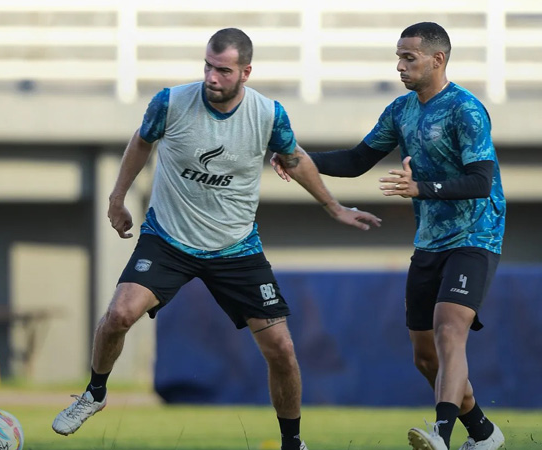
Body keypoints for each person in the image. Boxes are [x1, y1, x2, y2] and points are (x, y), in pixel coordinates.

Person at [51, 27, 382, 450]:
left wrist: (334, 207)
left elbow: (295, 160)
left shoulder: (268, 114)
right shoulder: (170, 102)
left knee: (281, 348)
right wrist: (117, 198)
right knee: (118, 315)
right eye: (207, 65)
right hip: (168, 238)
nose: (211, 77)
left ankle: (292, 443)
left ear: (245, 72)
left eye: (223, 70)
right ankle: (94, 393)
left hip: (236, 247)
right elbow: (141, 143)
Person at [271, 22, 506, 450]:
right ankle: (484, 433)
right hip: (430, 241)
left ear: (438, 60)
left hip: (476, 235)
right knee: (424, 356)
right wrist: (299, 158)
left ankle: (441, 434)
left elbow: (481, 180)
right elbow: (359, 159)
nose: (400, 66)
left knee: (449, 329)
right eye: (398, 57)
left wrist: (422, 188)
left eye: (408, 57)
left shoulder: (466, 110)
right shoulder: (401, 110)